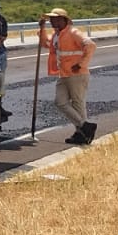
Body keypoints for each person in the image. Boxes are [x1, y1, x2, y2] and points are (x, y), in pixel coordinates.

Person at [40, 7, 97, 144]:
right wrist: (42, 30)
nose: (52, 21)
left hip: (77, 74)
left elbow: (90, 45)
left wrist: (81, 64)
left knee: (78, 104)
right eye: (51, 19)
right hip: (64, 74)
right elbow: (45, 44)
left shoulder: (73, 32)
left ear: (63, 20)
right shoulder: (56, 35)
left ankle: (81, 134)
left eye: (54, 19)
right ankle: (85, 126)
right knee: (60, 102)